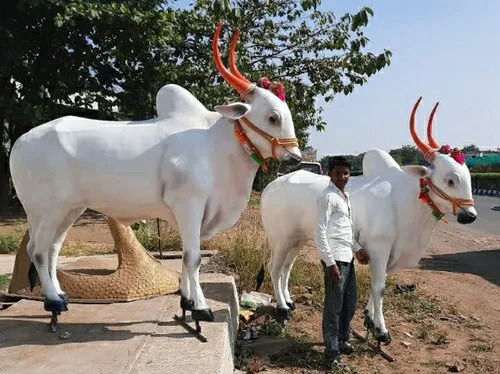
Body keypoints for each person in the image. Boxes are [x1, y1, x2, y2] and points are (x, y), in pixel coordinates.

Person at [315, 156, 370, 368]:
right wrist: (330, 263)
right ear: (330, 173)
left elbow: (342, 231)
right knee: (333, 308)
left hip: (347, 257)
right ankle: (331, 354)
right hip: (335, 260)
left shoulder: (344, 196)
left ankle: (342, 339)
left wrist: (357, 249)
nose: (342, 177)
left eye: (346, 173)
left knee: (349, 303)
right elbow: (319, 232)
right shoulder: (327, 197)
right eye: (338, 173)